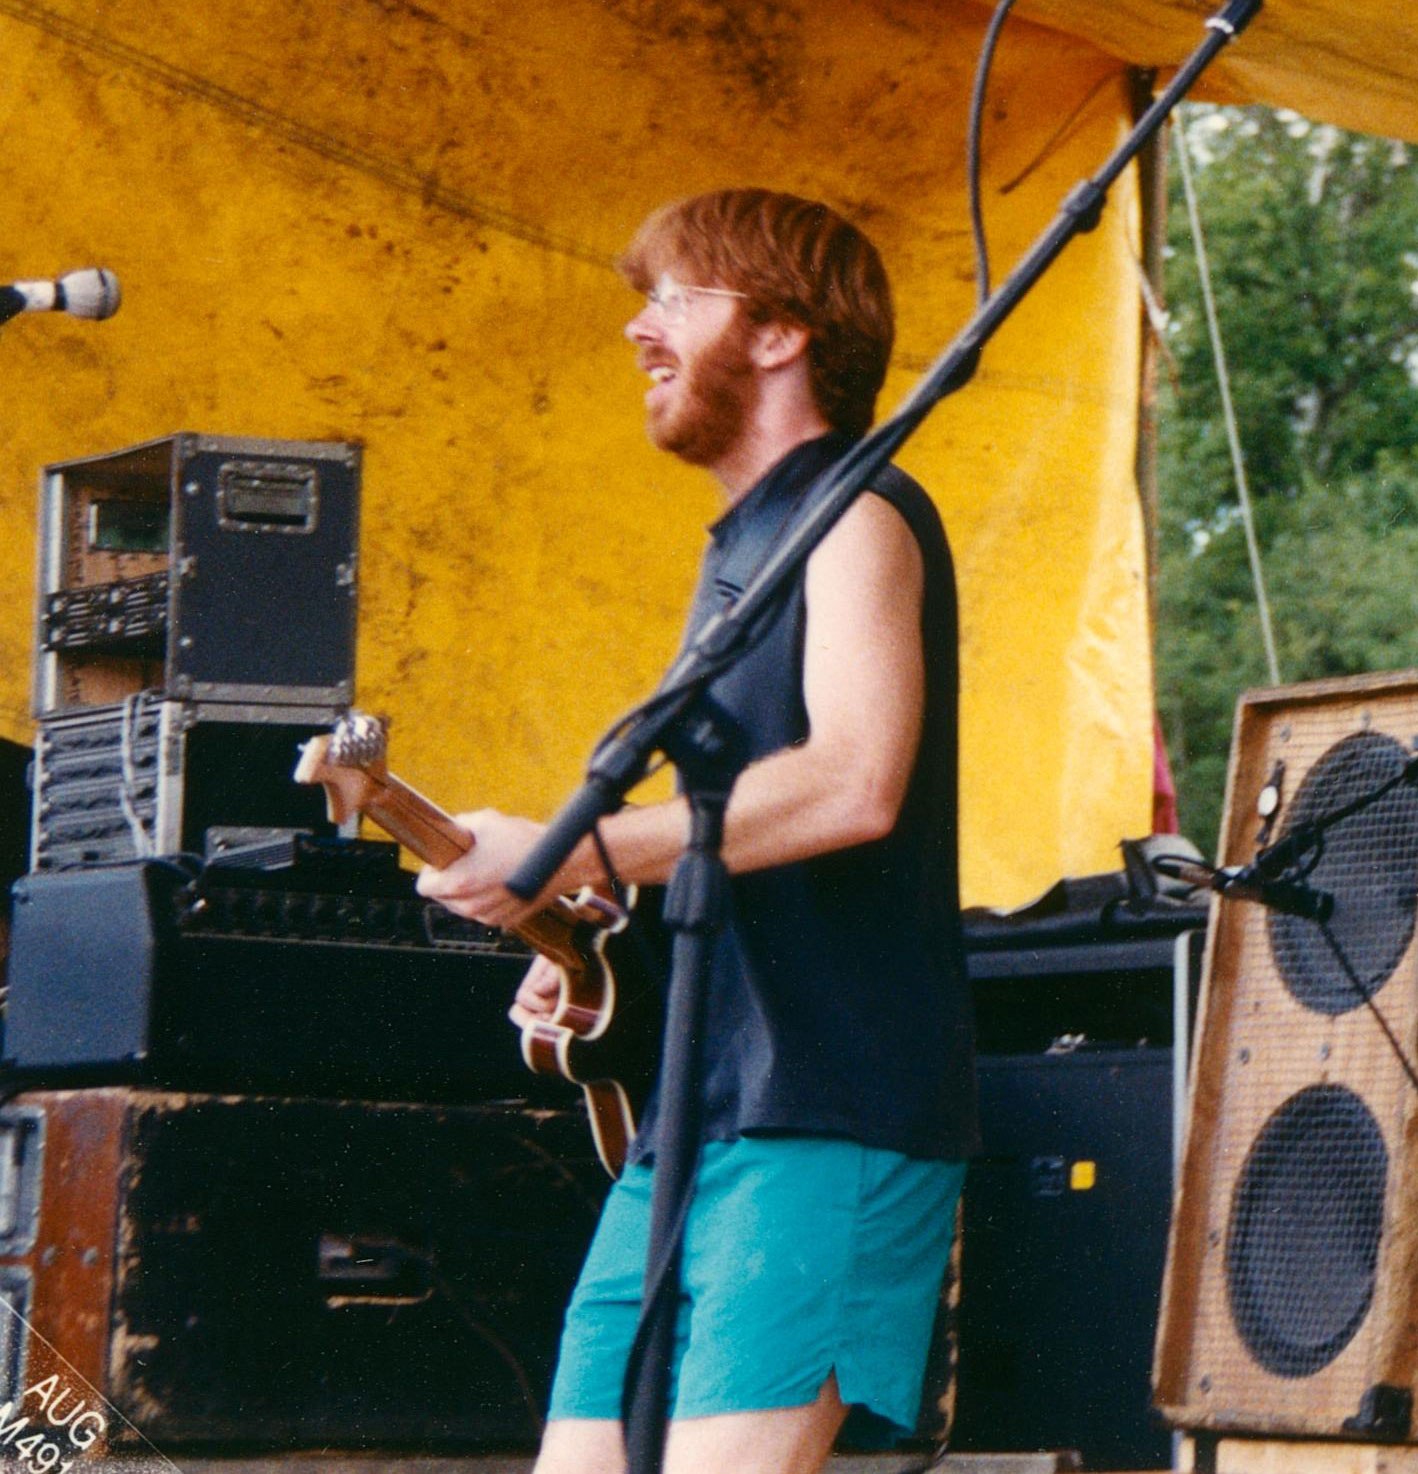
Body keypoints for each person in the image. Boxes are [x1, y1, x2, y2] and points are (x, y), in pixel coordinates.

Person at [416, 188, 978, 1474]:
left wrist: (571, 852)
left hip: (827, 1109)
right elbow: (735, 845)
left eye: (672, 295)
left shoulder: (861, 511)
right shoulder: (743, 553)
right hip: (692, 1124)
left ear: (778, 332)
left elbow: (851, 786)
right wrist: (588, 956)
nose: (638, 329)